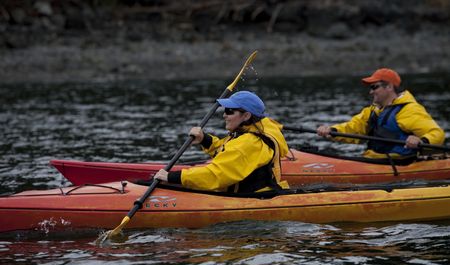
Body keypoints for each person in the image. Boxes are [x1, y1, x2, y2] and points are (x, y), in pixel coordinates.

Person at [154, 91, 290, 193]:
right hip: (259, 193)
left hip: (254, 199)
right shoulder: (255, 129)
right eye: (225, 110)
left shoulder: (248, 143)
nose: (224, 115)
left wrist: (173, 177)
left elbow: (215, 175)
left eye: (230, 111)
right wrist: (204, 139)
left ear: (246, 116)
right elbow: (227, 151)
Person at [317, 68, 445, 159]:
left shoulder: (409, 110)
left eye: (374, 87)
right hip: (374, 159)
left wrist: (421, 140)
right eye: (370, 88)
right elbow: (353, 128)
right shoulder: (372, 110)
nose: (371, 92)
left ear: (389, 87)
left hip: (398, 162)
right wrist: (331, 130)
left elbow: (437, 134)